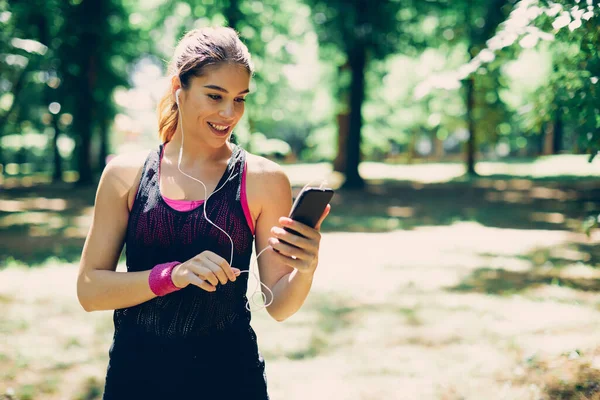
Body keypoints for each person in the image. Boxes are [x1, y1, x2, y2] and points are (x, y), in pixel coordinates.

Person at [76, 27, 331, 399]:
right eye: (215, 96)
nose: (229, 113)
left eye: (240, 99)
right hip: (136, 378)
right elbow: (89, 290)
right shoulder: (125, 175)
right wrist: (173, 275)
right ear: (179, 88)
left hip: (229, 379)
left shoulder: (263, 179)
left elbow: (278, 305)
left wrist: (306, 270)